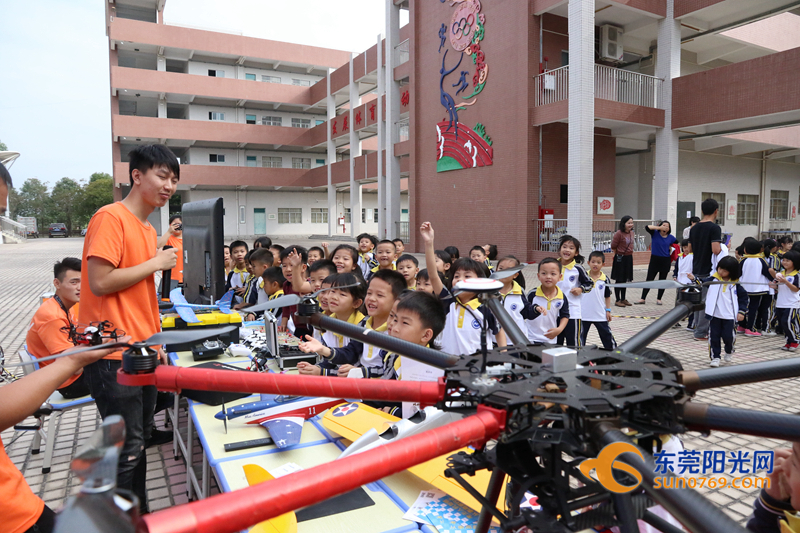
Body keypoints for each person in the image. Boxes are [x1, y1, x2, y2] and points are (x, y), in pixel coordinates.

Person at [79, 143, 180, 514]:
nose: (169, 185)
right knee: (128, 449)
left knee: (139, 443)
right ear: (137, 176)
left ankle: (139, 517)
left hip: (142, 349)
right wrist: (156, 262)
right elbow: (101, 281)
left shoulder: (145, 226)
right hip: (114, 354)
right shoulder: (111, 217)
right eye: (161, 175)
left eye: (173, 179)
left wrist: (158, 342)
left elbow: (141, 297)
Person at [1, 336, 125, 533]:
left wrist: (71, 360)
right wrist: (73, 361)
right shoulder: (51, 315)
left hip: (20, 508)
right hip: (15, 519)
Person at [298, 270, 406, 378]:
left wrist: (362, 372)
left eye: (380, 295)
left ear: (396, 301)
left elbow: (387, 373)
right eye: (369, 293)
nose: (372, 298)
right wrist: (323, 350)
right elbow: (351, 353)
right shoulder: (363, 324)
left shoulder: (394, 333)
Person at [420, 221, 505, 355]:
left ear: (479, 281)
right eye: (457, 276)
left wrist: (503, 358)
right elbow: (433, 275)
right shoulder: (448, 302)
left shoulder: (486, 307)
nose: (460, 279)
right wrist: (429, 242)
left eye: (467, 276)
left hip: (478, 368)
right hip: (449, 366)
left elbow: (499, 332)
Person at [25, 258, 91, 399]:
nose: (80, 287)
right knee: (126, 372)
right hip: (68, 384)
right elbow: (74, 367)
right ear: (57, 283)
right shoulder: (53, 317)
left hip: (67, 377)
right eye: (74, 282)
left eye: (83, 281)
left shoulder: (61, 306)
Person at [690, 256, 747, 367]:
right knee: (714, 337)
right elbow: (701, 283)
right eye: (720, 268)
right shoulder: (713, 279)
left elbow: (744, 299)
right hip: (714, 315)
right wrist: (693, 278)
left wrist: (742, 311)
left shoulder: (736, 284)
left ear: (732, 272)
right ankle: (715, 357)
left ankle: (729, 350)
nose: (721, 272)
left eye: (724, 270)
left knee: (728, 337)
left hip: (730, 316)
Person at [690, 198, 723, 341]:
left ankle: (697, 327)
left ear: (702, 210)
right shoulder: (714, 228)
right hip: (708, 270)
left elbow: (690, 248)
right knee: (705, 302)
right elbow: (716, 250)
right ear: (716, 211)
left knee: (698, 301)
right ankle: (700, 332)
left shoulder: (694, 227)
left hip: (696, 267)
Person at [555, 235, 592, 347]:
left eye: (571, 248)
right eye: (564, 246)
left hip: (573, 312)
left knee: (574, 343)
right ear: (559, 249)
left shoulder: (578, 268)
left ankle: (576, 363)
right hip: (554, 312)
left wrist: (581, 289)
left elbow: (589, 283)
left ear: (576, 253)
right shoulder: (553, 265)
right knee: (555, 343)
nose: (567, 250)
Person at [525, 258, 569, 345]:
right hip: (531, 337)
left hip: (550, 339)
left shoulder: (562, 297)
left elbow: (565, 315)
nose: (548, 277)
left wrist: (559, 329)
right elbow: (525, 311)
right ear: (538, 276)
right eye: (544, 273)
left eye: (553, 274)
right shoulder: (532, 294)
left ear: (560, 277)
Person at [495, 256, 535, 345]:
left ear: (515, 275)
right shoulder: (489, 291)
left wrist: (535, 309)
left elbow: (525, 312)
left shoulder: (519, 291)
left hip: (517, 340)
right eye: (501, 268)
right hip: (495, 340)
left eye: (508, 270)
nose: (503, 272)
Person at [739, 239, 775, 336]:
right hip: (758, 289)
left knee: (743, 307)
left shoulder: (743, 260)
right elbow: (767, 273)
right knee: (753, 309)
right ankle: (750, 328)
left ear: (745, 250)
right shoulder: (761, 260)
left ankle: (741, 326)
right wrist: (774, 280)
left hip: (744, 288)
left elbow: (738, 273)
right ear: (760, 250)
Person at [581, 252, 616, 350]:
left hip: (600, 314)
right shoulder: (583, 277)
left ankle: (614, 354)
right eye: (593, 262)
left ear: (603, 264)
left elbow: (607, 296)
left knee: (607, 336)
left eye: (598, 262)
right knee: (580, 339)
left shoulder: (605, 280)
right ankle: (578, 358)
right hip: (583, 314)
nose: (595, 264)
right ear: (588, 262)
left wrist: (608, 310)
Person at [636, 221, 676, 305]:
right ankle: (643, 298)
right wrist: (659, 228)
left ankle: (659, 299)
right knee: (649, 279)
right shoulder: (655, 233)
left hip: (665, 260)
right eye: (664, 225)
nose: (665, 227)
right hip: (655, 259)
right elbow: (647, 227)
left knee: (662, 280)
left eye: (667, 226)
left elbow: (677, 244)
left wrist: (671, 248)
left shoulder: (671, 237)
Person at [773, 250, 800, 352]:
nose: (784, 262)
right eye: (783, 260)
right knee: (782, 323)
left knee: (788, 322)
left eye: (787, 260)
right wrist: (773, 285)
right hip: (780, 303)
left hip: (792, 303)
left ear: (795, 262)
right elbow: (775, 286)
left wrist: (785, 282)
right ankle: (789, 341)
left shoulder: (796, 275)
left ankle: (795, 340)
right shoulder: (781, 274)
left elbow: (796, 289)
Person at [611, 216, 635, 307]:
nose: (630, 225)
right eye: (628, 223)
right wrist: (618, 253)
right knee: (619, 279)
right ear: (623, 224)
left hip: (629, 257)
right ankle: (617, 299)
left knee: (625, 279)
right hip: (620, 258)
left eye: (631, 223)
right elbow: (613, 245)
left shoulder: (632, 233)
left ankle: (623, 298)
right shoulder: (619, 233)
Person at [156, 214, 183, 291]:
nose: (177, 227)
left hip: (186, 277)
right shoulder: (168, 238)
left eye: (179, 224)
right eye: (175, 224)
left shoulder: (188, 238)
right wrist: (169, 232)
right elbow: (159, 246)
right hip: (171, 278)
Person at [673, 239, 695, 330]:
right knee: (679, 302)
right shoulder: (680, 257)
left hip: (690, 283)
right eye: (684, 247)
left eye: (687, 247)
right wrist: (674, 275)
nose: (686, 249)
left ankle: (691, 323)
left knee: (690, 303)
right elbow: (676, 268)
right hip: (680, 282)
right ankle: (675, 321)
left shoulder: (693, 257)